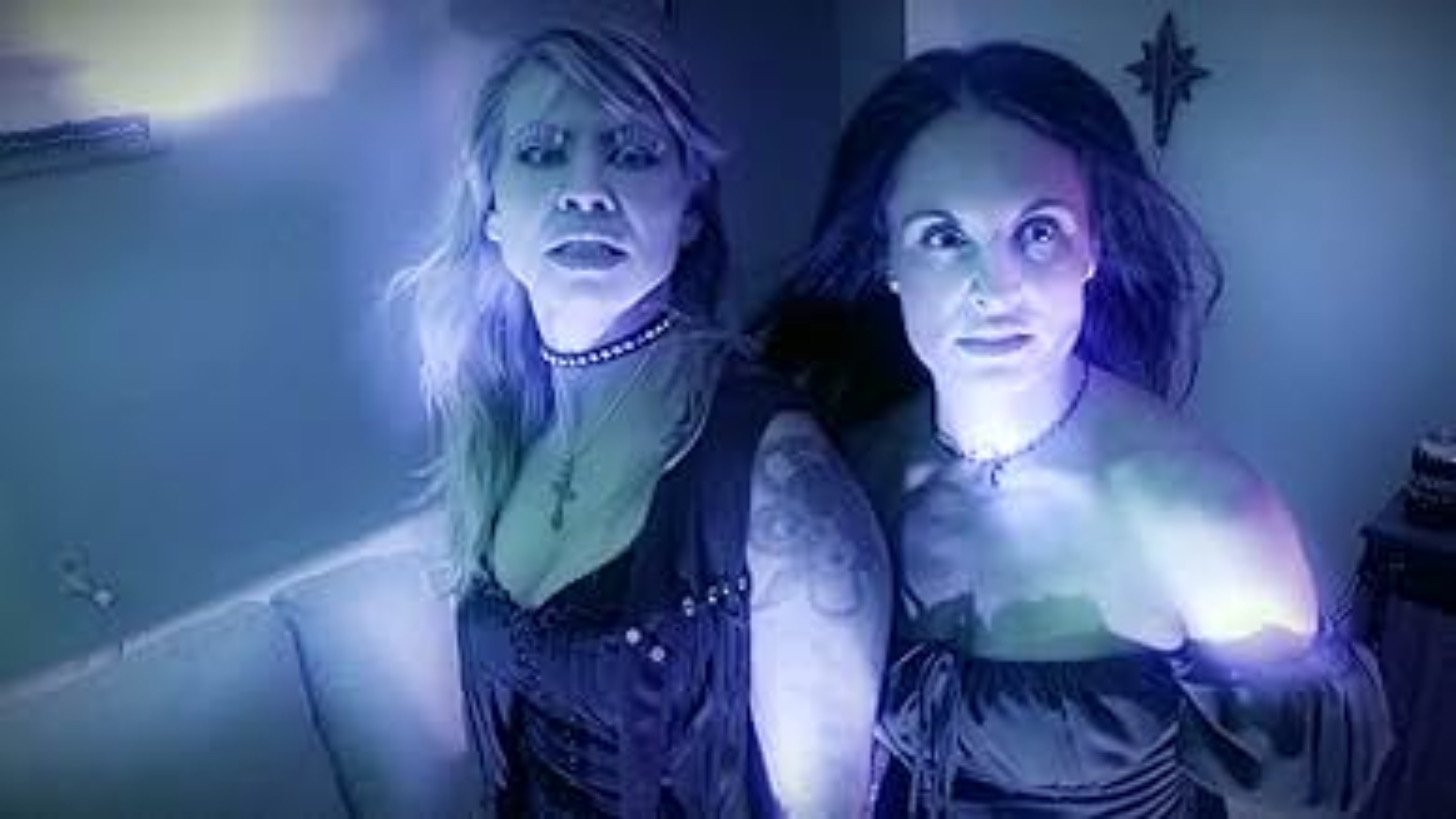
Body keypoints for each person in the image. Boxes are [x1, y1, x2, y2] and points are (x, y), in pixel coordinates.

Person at [762, 42, 1391, 818]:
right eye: (944, 237)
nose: (994, 289)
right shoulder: (840, 475)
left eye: (1038, 232)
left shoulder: (1208, 517)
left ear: (1093, 245)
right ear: (887, 253)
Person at [392, 26, 890, 818]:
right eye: (542, 152)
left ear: (690, 211)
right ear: (491, 210)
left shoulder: (771, 471)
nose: (586, 189)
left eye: (631, 153)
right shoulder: (500, 426)